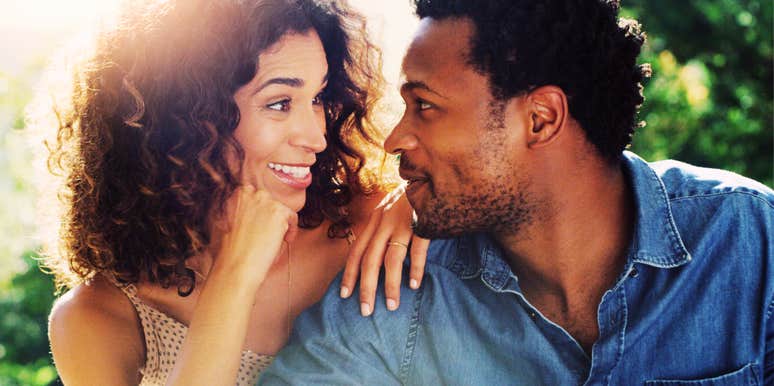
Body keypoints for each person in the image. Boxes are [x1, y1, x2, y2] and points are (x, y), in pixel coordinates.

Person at [260, 0, 774, 384]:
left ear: (540, 119)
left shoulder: (751, 240)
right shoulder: (396, 293)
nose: (397, 138)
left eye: (426, 106)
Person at [39, 0, 429, 385]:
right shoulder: (99, 317)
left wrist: (412, 202)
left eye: (318, 99)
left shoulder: (373, 226)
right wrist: (235, 275)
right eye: (279, 103)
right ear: (184, 121)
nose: (316, 137)